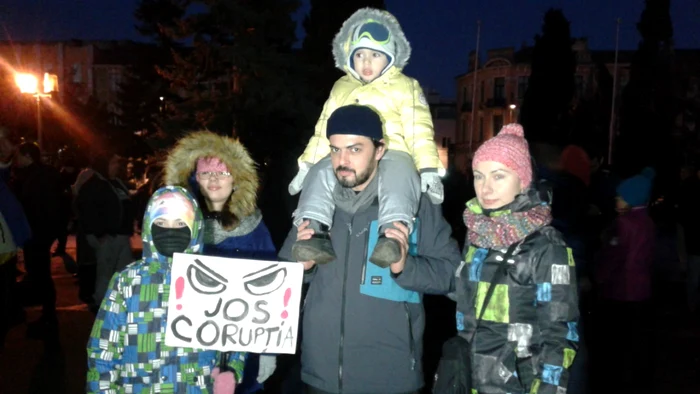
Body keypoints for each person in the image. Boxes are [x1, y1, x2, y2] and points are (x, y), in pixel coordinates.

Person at [279, 105, 461, 394]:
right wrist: (302, 269)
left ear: (379, 150)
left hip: (391, 376)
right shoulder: (313, 207)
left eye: (354, 149)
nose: (342, 160)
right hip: (320, 375)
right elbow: (282, 276)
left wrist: (405, 266)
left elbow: (453, 275)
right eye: (335, 149)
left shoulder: (414, 203)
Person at [288, 8, 444, 269]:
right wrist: (307, 165)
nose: (367, 62)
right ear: (349, 57)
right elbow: (324, 128)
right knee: (322, 171)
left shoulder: (405, 86)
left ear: (390, 56)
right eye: (359, 55)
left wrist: (428, 168)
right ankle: (312, 233)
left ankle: (391, 237)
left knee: (399, 177)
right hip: (346, 150)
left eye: (375, 55)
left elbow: (419, 129)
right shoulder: (341, 86)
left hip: (394, 148)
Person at [453, 124, 580, 393]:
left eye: (498, 176)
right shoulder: (477, 235)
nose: (485, 188)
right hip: (471, 379)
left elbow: (559, 332)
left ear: (523, 180)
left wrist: (548, 388)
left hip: (518, 385)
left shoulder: (545, 245)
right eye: (478, 176)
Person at [86, 185, 246, 393]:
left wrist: (232, 370)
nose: (170, 230)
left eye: (180, 223)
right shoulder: (127, 281)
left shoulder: (216, 279)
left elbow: (238, 336)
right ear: (148, 227)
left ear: (195, 227)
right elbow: (103, 351)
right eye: (161, 222)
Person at [163, 130, 278, 393]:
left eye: (222, 172)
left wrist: (268, 349)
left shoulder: (255, 228)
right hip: (190, 344)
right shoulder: (178, 226)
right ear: (194, 179)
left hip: (244, 343)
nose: (214, 179)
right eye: (205, 173)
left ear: (236, 180)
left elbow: (271, 288)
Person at [595, 167, 656, 394]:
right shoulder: (647, 222)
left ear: (631, 199)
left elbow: (614, 257)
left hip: (620, 290)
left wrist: (600, 277)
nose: (616, 200)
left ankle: (616, 382)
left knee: (616, 343)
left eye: (620, 197)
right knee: (637, 342)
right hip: (642, 290)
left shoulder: (623, 224)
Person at [14, 142, 63, 338]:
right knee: (42, 274)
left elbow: (32, 204)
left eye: (19, 155)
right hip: (42, 232)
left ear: (27, 156)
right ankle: (48, 313)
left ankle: (48, 316)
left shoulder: (32, 177)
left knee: (40, 274)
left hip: (36, 232)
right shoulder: (46, 174)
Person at [75, 154, 134, 310]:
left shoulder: (114, 182)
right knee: (105, 273)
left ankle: (122, 301)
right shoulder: (94, 185)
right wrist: (98, 234)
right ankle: (101, 303)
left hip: (121, 236)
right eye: (113, 163)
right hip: (109, 236)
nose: (117, 166)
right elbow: (86, 210)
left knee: (125, 271)